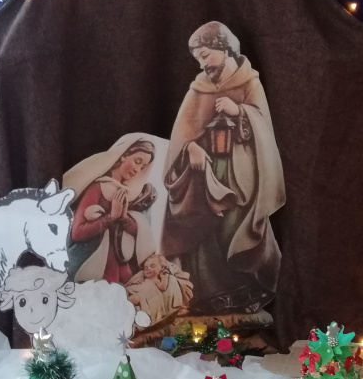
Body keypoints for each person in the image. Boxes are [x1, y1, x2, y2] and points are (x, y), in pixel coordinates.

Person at [160, 21, 285, 311]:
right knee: (206, 232)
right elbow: (182, 134)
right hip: (203, 174)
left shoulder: (250, 82)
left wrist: (239, 111)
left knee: (235, 226)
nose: (203, 64)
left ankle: (248, 293)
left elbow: (264, 130)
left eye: (205, 55)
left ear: (224, 48)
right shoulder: (198, 88)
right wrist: (190, 148)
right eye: (198, 59)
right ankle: (212, 296)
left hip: (241, 174)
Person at [63, 136, 157, 284]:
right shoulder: (97, 187)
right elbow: (77, 232)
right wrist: (111, 217)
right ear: (124, 155)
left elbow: (142, 233)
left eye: (143, 167)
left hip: (122, 267)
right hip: (94, 268)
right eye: (137, 161)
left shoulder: (136, 194)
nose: (137, 170)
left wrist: (124, 218)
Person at [126, 253, 193, 325]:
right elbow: (135, 285)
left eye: (152, 266)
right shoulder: (142, 277)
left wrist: (164, 277)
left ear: (162, 268)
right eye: (146, 268)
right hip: (138, 290)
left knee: (137, 298)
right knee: (132, 296)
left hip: (147, 295)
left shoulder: (163, 279)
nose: (148, 269)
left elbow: (162, 288)